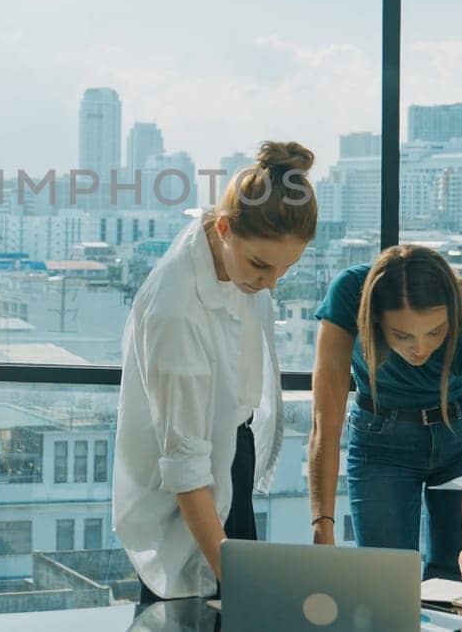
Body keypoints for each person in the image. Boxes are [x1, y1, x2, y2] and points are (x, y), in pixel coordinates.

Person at [112, 141, 320, 604]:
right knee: (197, 605)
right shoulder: (177, 310)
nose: (269, 283)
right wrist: (240, 581)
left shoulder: (226, 242)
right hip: (190, 484)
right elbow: (185, 468)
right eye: (261, 266)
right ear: (224, 228)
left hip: (229, 455)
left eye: (286, 269)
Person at [307, 245, 462, 586]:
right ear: (375, 318)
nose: (421, 348)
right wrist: (322, 527)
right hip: (380, 440)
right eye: (402, 335)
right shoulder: (349, 296)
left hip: (459, 438)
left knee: (457, 579)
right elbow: (324, 429)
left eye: (435, 332)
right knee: (386, 584)